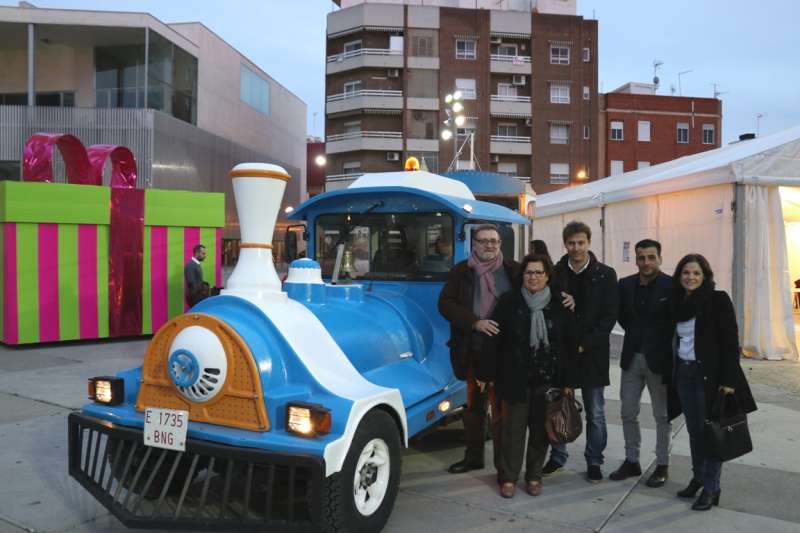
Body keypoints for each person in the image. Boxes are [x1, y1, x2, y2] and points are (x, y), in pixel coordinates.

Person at [482, 253, 578, 498]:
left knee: (540, 432)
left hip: (548, 381)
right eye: (528, 272)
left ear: (547, 276)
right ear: (522, 276)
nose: (533, 277)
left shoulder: (561, 304)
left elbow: (568, 345)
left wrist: (568, 382)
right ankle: (508, 477)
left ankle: (534, 475)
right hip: (514, 379)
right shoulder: (508, 302)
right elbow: (494, 340)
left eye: (538, 272)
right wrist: (489, 374)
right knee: (512, 432)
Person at [669, 254, 757, 510]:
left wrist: (729, 380)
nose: (691, 277)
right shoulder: (677, 302)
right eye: (686, 272)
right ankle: (698, 478)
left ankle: (711, 487)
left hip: (708, 377)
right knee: (695, 431)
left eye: (696, 273)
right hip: (684, 374)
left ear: (705, 276)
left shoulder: (717, 300)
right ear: (679, 275)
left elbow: (730, 341)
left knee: (711, 432)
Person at [438, 224, 518, 475]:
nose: (489, 245)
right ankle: (473, 458)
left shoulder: (513, 270)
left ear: (500, 244)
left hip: (504, 352)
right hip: (473, 349)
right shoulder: (461, 271)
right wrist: (475, 322)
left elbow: (541, 283)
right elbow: (445, 304)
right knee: (474, 409)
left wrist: (565, 296)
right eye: (484, 241)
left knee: (502, 411)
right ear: (474, 244)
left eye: (494, 241)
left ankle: (504, 468)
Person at [544, 221, 618, 483]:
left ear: (589, 242)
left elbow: (609, 317)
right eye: (571, 243)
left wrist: (585, 342)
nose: (576, 248)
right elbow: (548, 308)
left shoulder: (605, 274)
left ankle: (594, 460)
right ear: (565, 244)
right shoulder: (555, 273)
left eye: (580, 242)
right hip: (561, 353)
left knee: (595, 412)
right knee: (558, 407)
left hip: (591, 354)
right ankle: (558, 456)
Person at [609, 239, 673, 487]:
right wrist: (638, 334)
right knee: (627, 412)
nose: (646, 262)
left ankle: (662, 464)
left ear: (660, 258)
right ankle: (631, 460)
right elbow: (622, 316)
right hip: (632, 357)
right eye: (641, 257)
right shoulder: (625, 285)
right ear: (635, 259)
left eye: (651, 257)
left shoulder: (671, 285)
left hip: (659, 360)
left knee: (662, 416)